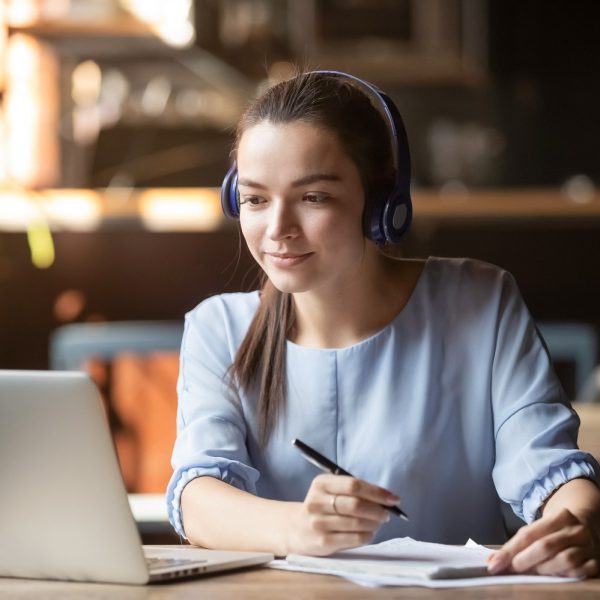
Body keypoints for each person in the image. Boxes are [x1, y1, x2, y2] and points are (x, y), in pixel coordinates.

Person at [167, 70, 600, 577]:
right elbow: (198, 498)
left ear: (380, 202)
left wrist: (582, 519)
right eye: (256, 199)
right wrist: (300, 528)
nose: (278, 229)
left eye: (314, 197)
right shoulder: (218, 328)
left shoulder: (480, 302)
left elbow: (548, 468)